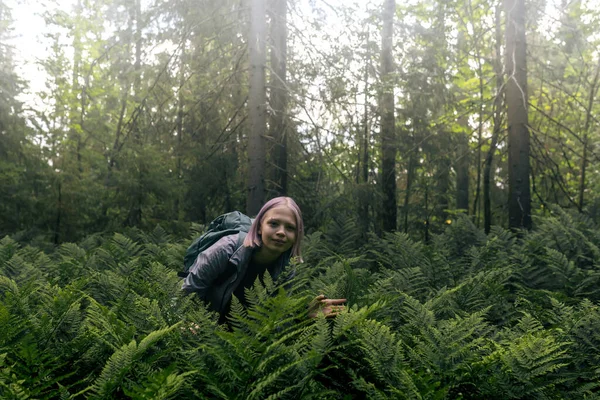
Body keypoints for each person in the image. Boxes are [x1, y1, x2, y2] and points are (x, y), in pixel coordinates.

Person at [181, 196, 345, 324]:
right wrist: (187, 321)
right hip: (203, 325)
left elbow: (272, 316)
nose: (281, 232)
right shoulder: (226, 249)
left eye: (290, 228)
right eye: (274, 224)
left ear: (297, 235)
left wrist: (302, 315)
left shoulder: (287, 268)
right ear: (259, 227)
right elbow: (187, 293)